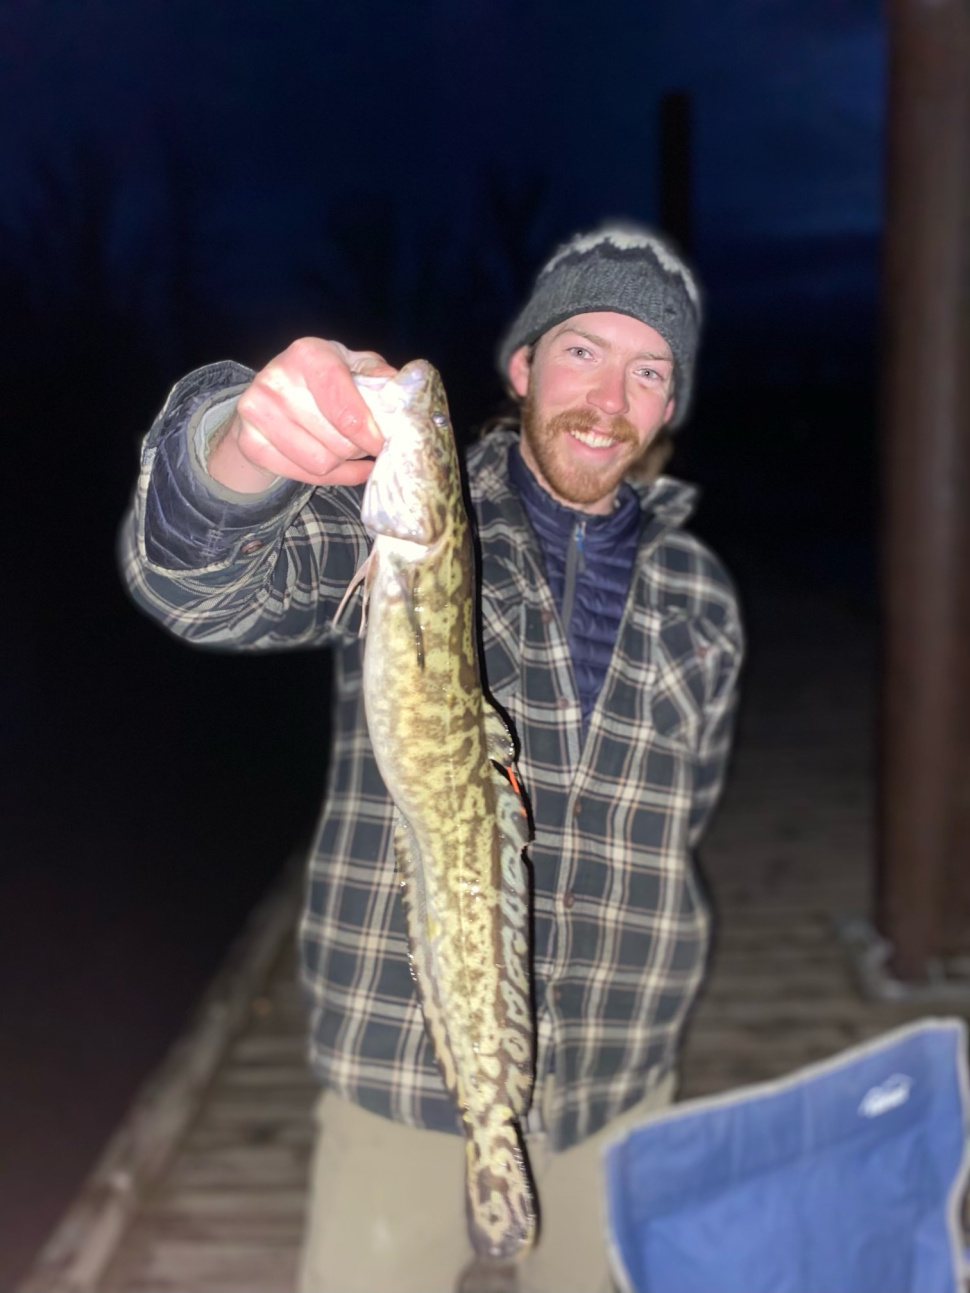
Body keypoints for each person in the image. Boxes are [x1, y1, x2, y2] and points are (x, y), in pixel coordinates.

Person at [119, 223, 744, 1293]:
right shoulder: (396, 534)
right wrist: (242, 450)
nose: (611, 394)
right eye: (583, 350)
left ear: (668, 409)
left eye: (650, 372)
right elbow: (200, 580)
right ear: (522, 366)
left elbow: (678, 828)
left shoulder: (702, 599)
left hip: (619, 1077)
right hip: (397, 1072)